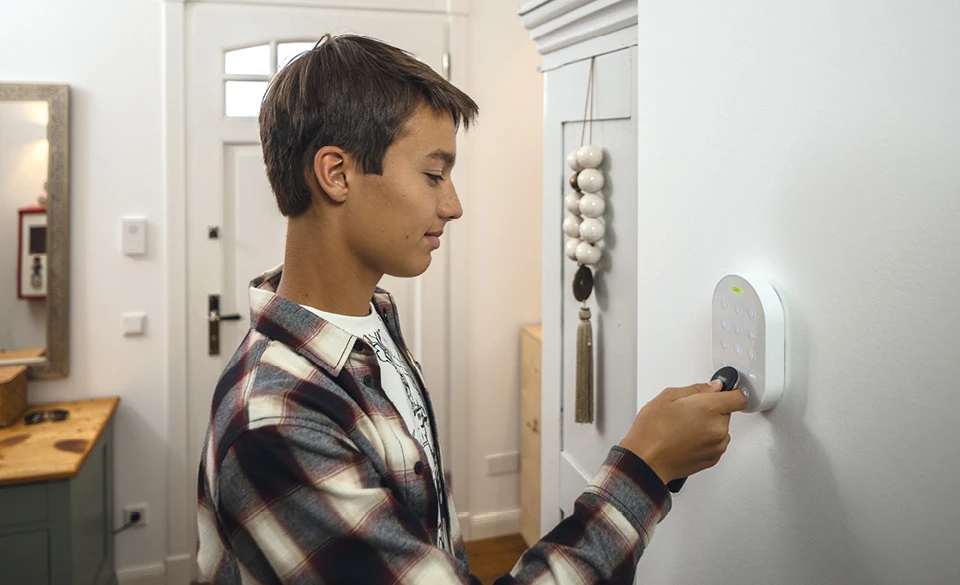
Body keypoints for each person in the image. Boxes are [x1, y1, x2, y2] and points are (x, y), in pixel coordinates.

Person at [197, 34, 748, 585]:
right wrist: (645, 469)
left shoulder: (367, 326)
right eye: (434, 174)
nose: (453, 205)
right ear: (337, 174)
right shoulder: (276, 424)